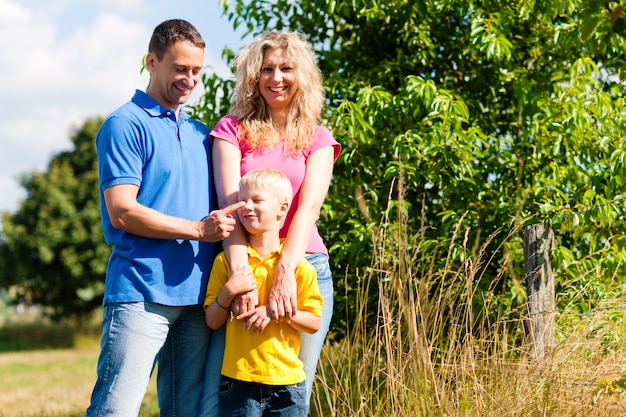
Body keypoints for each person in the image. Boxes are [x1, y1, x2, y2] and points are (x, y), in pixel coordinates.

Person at [85, 19, 244, 417]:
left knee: (184, 412)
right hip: (141, 293)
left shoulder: (201, 134)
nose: (189, 79)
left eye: (196, 71)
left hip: (198, 302)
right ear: (151, 62)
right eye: (179, 68)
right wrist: (197, 230)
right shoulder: (124, 124)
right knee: (116, 409)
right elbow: (122, 209)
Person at [209, 30, 341, 410]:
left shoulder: (317, 137)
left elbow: (308, 209)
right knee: (240, 387)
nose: (276, 77)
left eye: (287, 68)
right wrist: (241, 277)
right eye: (267, 69)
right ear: (254, 76)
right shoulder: (232, 130)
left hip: (304, 266)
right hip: (243, 264)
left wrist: (285, 270)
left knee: (294, 391)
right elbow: (228, 206)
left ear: (302, 75)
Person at [204, 168, 323, 417]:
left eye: (256, 200)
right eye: (242, 201)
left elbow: (313, 323)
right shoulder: (225, 263)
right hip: (237, 382)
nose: (246, 206)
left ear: (282, 209)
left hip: (287, 385)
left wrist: (275, 311)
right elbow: (212, 321)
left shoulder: (298, 268)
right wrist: (228, 292)